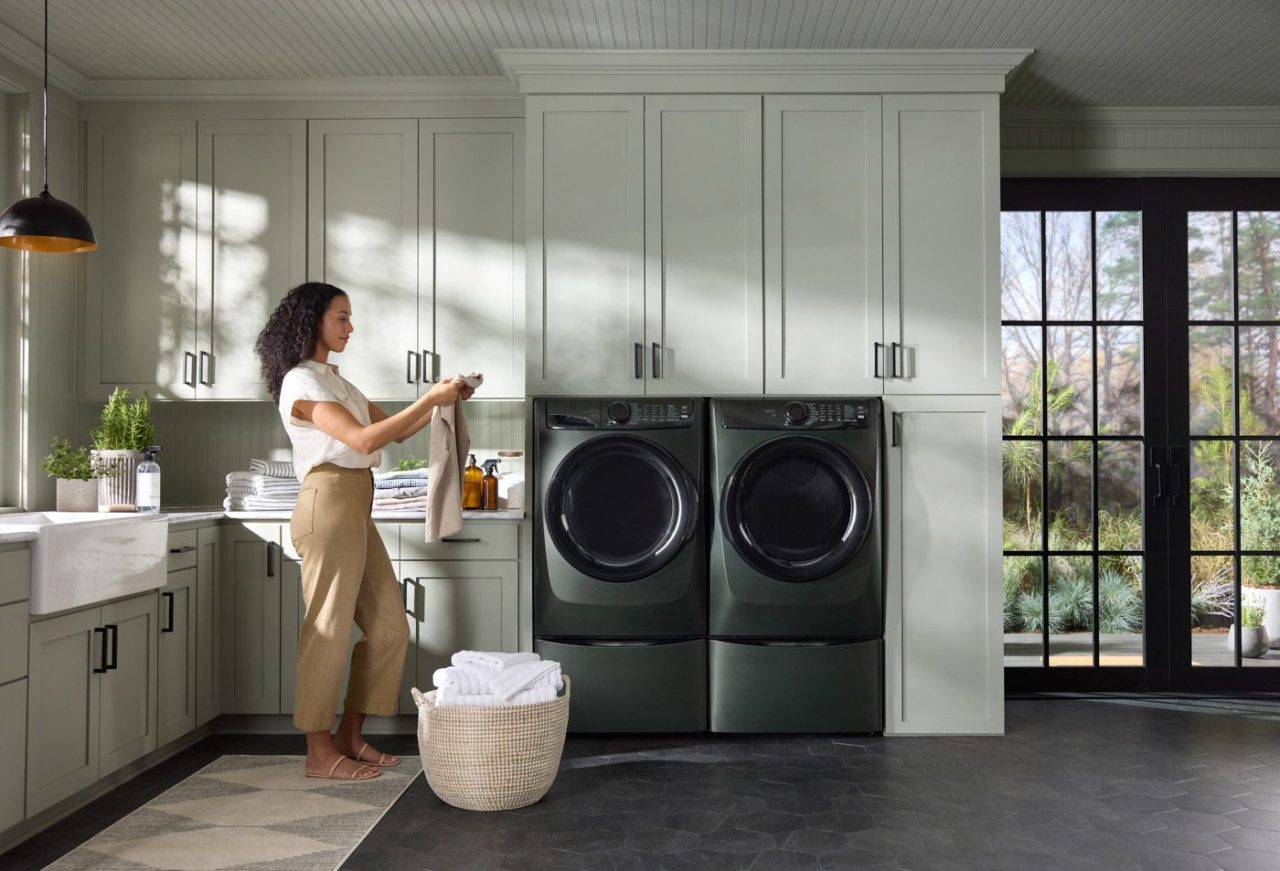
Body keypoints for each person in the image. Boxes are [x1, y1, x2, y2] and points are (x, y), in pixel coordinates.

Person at [255, 281, 475, 781]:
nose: (350, 328)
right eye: (341, 318)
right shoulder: (301, 383)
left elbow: (394, 429)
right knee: (327, 626)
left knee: (390, 628)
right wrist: (429, 396)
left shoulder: (338, 382)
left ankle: (348, 736)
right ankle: (317, 751)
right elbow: (362, 437)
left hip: (356, 501)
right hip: (327, 503)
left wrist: (446, 399)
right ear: (312, 320)